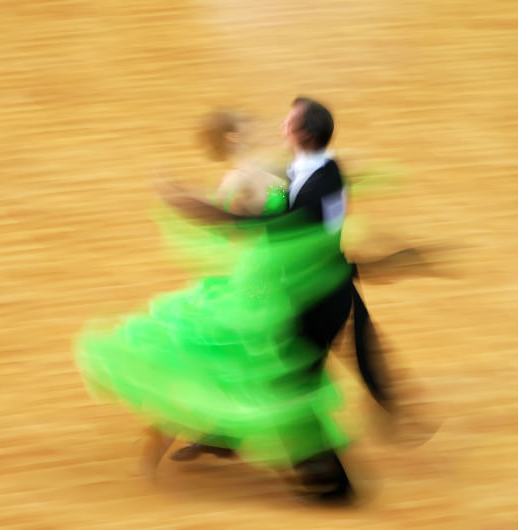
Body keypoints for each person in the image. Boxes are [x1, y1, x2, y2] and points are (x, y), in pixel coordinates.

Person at [77, 98, 395, 505]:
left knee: (234, 361)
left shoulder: (274, 167)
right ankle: (200, 443)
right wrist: (203, 207)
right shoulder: (239, 180)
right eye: (248, 125)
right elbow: (245, 225)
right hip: (260, 283)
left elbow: (304, 187)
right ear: (231, 138)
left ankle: (220, 436)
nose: (263, 127)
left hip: (274, 281)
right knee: (223, 359)